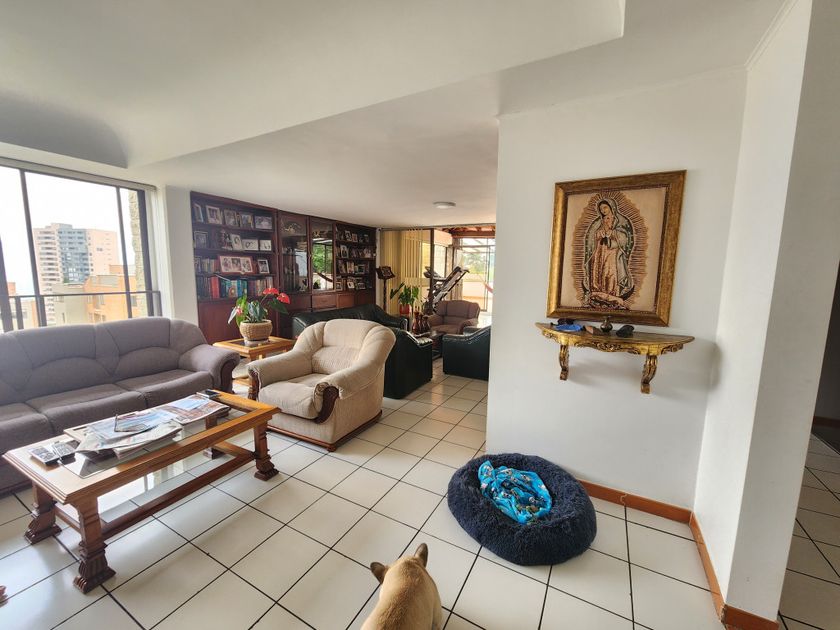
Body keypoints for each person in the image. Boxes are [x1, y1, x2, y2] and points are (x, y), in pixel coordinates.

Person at [582, 198, 635, 307]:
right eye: (601, 209)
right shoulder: (598, 222)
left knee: (610, 270)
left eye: (605, 207)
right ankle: (597, 292)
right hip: (599, 250)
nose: (603, 210)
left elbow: (625, 237)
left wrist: (612, 233)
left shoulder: (620, 220)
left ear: (611, 207)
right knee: (598, 269)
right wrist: (599, 233)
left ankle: (611, 293)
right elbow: (592, 235)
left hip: (612, 250)